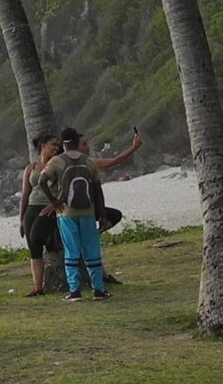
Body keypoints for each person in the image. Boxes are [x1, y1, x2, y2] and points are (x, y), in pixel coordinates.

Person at [43, 126, 144, 300]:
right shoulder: (89, 162)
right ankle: (98, 289)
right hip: (88, 212)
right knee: (92, 250)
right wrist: (102, 216)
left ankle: (74, 291)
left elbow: (42, 181)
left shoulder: (56, 162)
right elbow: (98, 191)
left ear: (62, 143)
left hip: (66, 213)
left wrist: (53, 200)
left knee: (71, 251)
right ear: (76, 142)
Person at [17, 134, 60, 297]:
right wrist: (21, 219)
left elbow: (63, 187)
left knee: (37, 237)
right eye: (53, 145)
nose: (56, 148)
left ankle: (53, 241)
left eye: (58, 146)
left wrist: (54, 204)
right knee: (34, 249)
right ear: (43, 146)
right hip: (32, 209)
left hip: (49, 208)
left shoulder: (57, 165)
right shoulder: (31, 167)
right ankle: (38, 287)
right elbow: (25, 194)